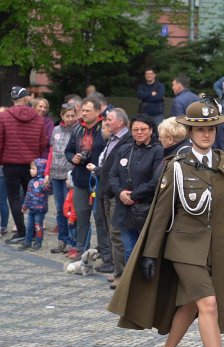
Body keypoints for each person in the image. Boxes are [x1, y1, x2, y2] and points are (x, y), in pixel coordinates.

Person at [107, 99, 224, 347]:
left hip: (216, 250)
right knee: (208, 304)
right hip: (185, 250)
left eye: (211, 129)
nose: (206, 134)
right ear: (190, 132)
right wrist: (150, 254)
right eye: (200, 130)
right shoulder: (176, 167)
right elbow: (161, 214)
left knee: (189, 305)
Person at [108, 114, 163, 264]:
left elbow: (155, 180)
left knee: (146, 250)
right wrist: (120, 192)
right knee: (128, 249)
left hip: (145, 206)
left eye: (143, 129)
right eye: (135, 129)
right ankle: (128, 282)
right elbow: (112, 174)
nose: (139, 132)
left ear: (151, 130)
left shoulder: (158, 151)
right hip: (124, 205)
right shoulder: (124, 149)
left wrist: (134, 195)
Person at [87, 108, 132, 283]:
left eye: (109, 119)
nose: (105, 122)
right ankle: (116, 268)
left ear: (120, 122)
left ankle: (121, 274)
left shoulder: (127, 140)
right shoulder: (111, 139)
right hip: (105, 190)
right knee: (109, 231)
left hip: (117, 192)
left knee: (116, 232)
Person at [0, 86, 47, 244]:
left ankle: (21, 231)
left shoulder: (4, 117)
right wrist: (37, 160)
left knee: (13, 198)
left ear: (13, 99)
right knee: (34, 197)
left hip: (10, 163)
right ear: (26, 98)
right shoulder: (38, 118)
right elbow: (42, 142)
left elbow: (0, 141)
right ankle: (34, 231)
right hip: (31, 164)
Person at [64, 97, 107, 260]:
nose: (84, 113)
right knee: (82, 217)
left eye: (88, 110)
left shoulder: (104, 129)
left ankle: (104, 252)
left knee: (100, 219)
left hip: (98, 180)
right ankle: (81, 249)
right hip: (80, 179)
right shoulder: (77, 129)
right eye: (83, 110)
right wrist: (72, 158)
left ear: (98, 111)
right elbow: (68, 150)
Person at [46, 105, 78, 253]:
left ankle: (73, 241)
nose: (70, 118)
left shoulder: (78, 131)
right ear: (62, 116)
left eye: (73, 115)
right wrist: (47, 172)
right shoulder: (56, 129)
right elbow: (51, 152)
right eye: (67, 116)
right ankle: (62, 239)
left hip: (69, 176)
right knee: (59, 209)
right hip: (55, 174)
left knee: (70, 209)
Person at [17, 158, 51, 251]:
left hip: (40, 210)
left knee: (38, 227)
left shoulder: (44, 181)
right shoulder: (31, 182)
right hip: (31, 209)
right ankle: (27, 242)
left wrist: (46, 184)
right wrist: (24, 206)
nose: (30, 170)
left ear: (40, 169)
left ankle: (38, 242)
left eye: (33, 168)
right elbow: (28, 195)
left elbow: (48, 190)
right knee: (29, 226)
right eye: (31, 168)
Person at [63, 172, 77, 253]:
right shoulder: (70, 191)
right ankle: (71, 248)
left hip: (72, 219)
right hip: (69, 217)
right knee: (71, 234)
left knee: (73, 235)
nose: (66, 181)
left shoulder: (74, 193)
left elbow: (74, 208)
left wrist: (72, 218)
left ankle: (74, 249)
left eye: (67, 179)